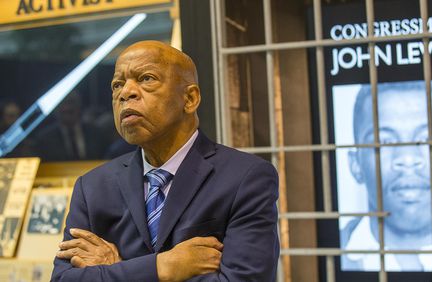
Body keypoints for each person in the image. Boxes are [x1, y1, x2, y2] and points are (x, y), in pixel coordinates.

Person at [51, 40, 280, 281]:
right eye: (117, 84)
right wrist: (163, 267)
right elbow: (63, 279)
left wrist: (117, 268)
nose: (126, 92)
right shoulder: (92, 187)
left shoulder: (245, 178)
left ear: (190, 99)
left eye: (146, 78)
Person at [341, 80, 432, 271]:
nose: (408, 158)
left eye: (428, 139)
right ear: (355, 164)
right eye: (384, 142)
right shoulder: (323, 255)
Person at [35, 93, 109, 161]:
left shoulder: (96, 134)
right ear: (56, 109)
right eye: (62, 103)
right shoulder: (45, 138)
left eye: (70, 102)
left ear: (79, 107)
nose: (66, 108)